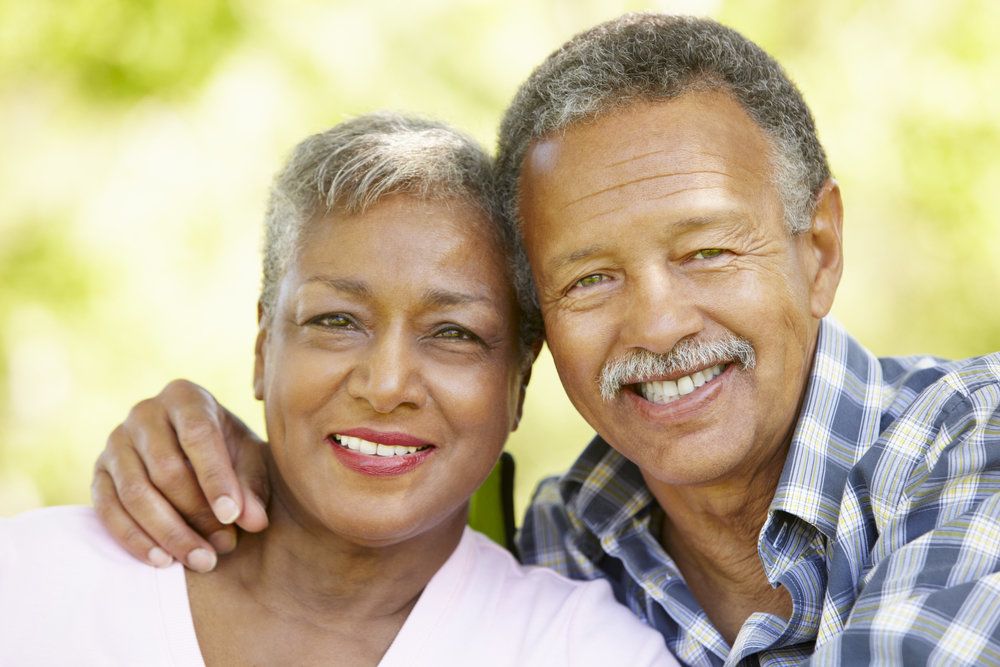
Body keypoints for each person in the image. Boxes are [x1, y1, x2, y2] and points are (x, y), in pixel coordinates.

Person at [90, 14, 1000, 666]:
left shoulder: (972, 447)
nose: (656, 323)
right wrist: (233, 469)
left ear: (819, 251)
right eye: (589, 278)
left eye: (708, 251)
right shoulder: (569, 537)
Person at [0, 113, 675, 666]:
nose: (385, 385)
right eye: (336, 321)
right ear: (264, 346)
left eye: (454, 333)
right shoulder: (33, 581)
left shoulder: (582, 649)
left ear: (518, 382)